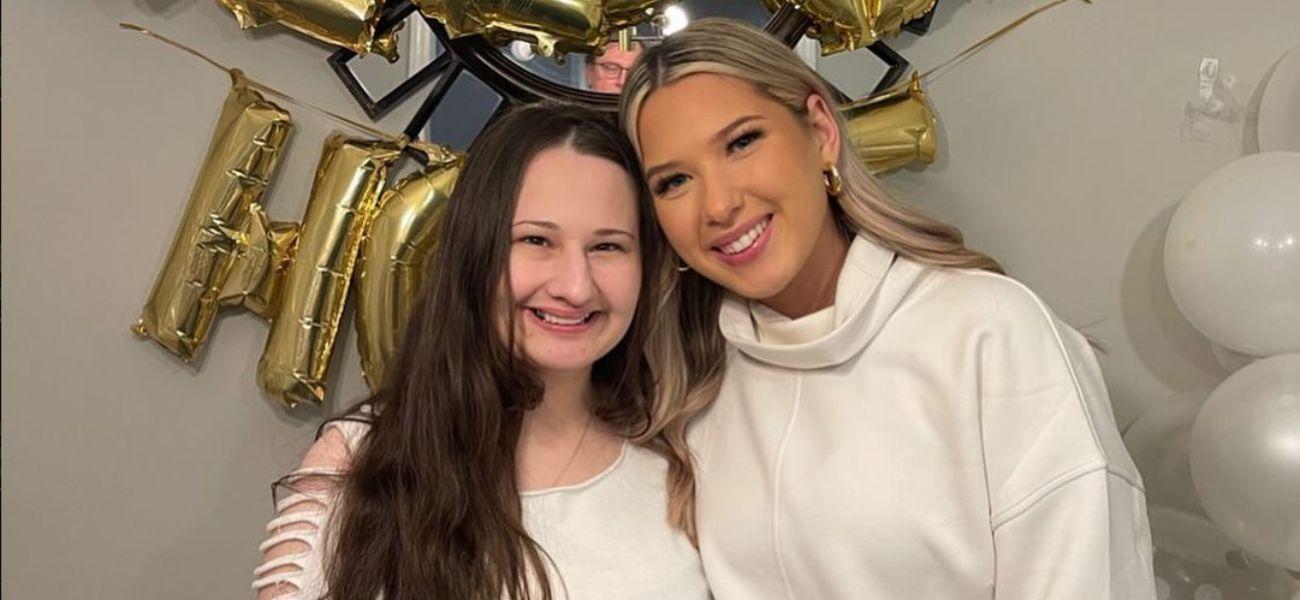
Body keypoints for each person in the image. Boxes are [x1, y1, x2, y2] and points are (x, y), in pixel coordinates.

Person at [618, 18, 1157, 599]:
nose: (719, 204)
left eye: (742, 141)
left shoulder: (989, 334)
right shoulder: (694, 387)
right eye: (674, 181)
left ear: (821, 130)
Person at [251, 102, 709, 600]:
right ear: (476, 253)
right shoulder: (357, 458)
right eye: (536, 240)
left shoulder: (686, 461)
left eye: (608, 247)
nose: (576, 287)